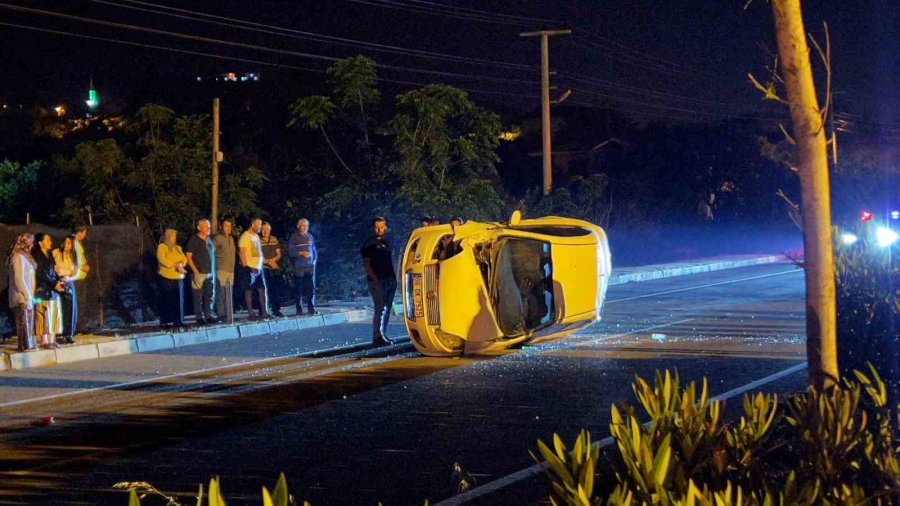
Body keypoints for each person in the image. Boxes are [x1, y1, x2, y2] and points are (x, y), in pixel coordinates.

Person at [361, 217, 396, 347]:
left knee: (386, 308)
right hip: (378, 280)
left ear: (386, 227)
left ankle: (382, 334)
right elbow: (367, 264)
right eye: (377, 227)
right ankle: (377, 336)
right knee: (380, 309)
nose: (380, 229)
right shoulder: (370, 244)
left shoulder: (386, 242)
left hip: (389, 279)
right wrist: (375, 280)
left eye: (382, 226)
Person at [33, 233, 65, 349]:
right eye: (48, 240)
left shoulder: (50, 254)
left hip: (53, 289)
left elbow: (53, 270)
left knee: (54, 314)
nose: (50, 242)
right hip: (42, 289)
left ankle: (52, 339)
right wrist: (53, 283)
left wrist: (59, 281)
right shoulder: (36, 255)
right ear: (40, 242)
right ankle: (44, 341)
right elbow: (40, 273)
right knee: (43, 315)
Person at [7, 233, 36, 351]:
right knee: (23, 323)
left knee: (27, 322)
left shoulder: (25, 257)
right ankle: (24, 346)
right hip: (21, 297)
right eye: (30, 242)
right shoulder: (18, 257)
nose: (32, 245)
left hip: (27, 296)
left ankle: (27, 345)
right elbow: (19, 278)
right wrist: (27, 295)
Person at [185, 218, 216, 325]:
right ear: (199, 228)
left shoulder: (209, 240)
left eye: (209, 226)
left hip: (209, 272)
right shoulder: (194, 240)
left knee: (208, 295)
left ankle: (208, 315)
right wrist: (195, 271)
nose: (209, 228)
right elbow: (188, 256)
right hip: (198, 272)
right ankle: (199, 317)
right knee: (198, 296)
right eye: (206, 226)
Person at [238, 218, 271, 320]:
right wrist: (246, 267)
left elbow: (258, 251)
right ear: (253, 225)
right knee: (249, 291)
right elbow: (242, 253)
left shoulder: (256, 236)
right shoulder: (245, 237)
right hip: (250, 268)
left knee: (262, 289)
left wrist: (264, 262)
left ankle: (264, 312)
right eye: (259, 225)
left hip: (259, 268)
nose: (260, 227)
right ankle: (251, 313)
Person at [156, 229, 187, 329]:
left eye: (175, 236)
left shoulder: (177, 247)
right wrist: (174, 264)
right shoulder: (162, 247)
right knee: (166, 299)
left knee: (176, 299)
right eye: (173, 236)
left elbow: (184, 258)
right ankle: (164, 321)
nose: (174, 238)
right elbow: (162, 259)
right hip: (166, 276)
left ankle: (177, 320)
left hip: (176, 276)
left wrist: (181, 264)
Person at [287, 218, 318, 316]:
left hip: (310, 266)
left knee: (311, 288)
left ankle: (311, 308)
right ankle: (299, 309)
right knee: (298, 289)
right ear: (298, 226)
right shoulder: (294, 237)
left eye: (306, 226)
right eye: (303, 225)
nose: (305, 228)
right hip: (299, 266)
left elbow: (314, 250)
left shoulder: (310, 236)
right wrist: (301, 253)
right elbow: (290, 251)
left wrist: (314, 260)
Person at [52, 234, 78, 344]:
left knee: (70, 308)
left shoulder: (73, 256)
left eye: (69, 243)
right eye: (65, 242)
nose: (67, 245)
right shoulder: (56, 252)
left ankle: (68, 334)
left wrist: (69, 278)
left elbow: (77, 273)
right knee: (58, 308)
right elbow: (50, 266)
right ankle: (58, 334)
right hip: (56, 281)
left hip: (68, 281)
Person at [67, 225, 90, 337]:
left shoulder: (75, 242)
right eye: (85, 232)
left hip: (78, 277)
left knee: (80, 302)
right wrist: (83, 267)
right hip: (76, 277)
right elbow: (74, 260)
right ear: (80, 232)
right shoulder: (73, 242)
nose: (85, 235)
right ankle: (77, 328)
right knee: (79, 303)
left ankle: (78, 326)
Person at [214, 219, 236, 324]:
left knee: (229, 293)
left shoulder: (231, 238)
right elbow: (211, 250)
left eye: (230, 226)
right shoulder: (218, 238)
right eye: (226, 226)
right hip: (221, 269)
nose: (228, 228)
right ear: (221, 227)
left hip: (231, 270)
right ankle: (221, 314)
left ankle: (229, 313)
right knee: (221, 293)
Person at [260, 222, 284, 317]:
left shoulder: (274, 239)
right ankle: (263, 310)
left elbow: (278, 253)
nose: (265, 231)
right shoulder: (258, 240)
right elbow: (257, 255)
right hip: (263, 268)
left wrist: (273, 260)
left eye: (267, 229)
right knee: (263, 290)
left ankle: (276, 309)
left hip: (274, 267)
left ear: (270, 230)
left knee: (275, 289)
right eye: (263, 229)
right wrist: (267, 262)